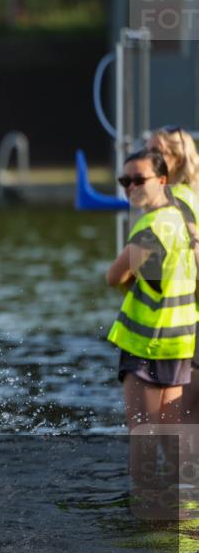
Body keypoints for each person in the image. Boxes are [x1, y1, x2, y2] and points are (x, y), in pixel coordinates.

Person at [106, 150, 196, 430]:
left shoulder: (151, 226)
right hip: (180, 340)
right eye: (125, 181)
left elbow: (114, 276)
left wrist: (131, 284)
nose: (131, 187)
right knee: (171, 436)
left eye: (139, 180)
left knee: (142, 434)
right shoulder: (180, 218)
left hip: (146, 341)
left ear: (162, 180)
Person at [146, 126, 199, 423]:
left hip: (187, 323)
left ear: (176, 158)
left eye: (155, 151)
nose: (146, 158)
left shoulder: (171, 202)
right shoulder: (193, 195)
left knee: (179, 422)